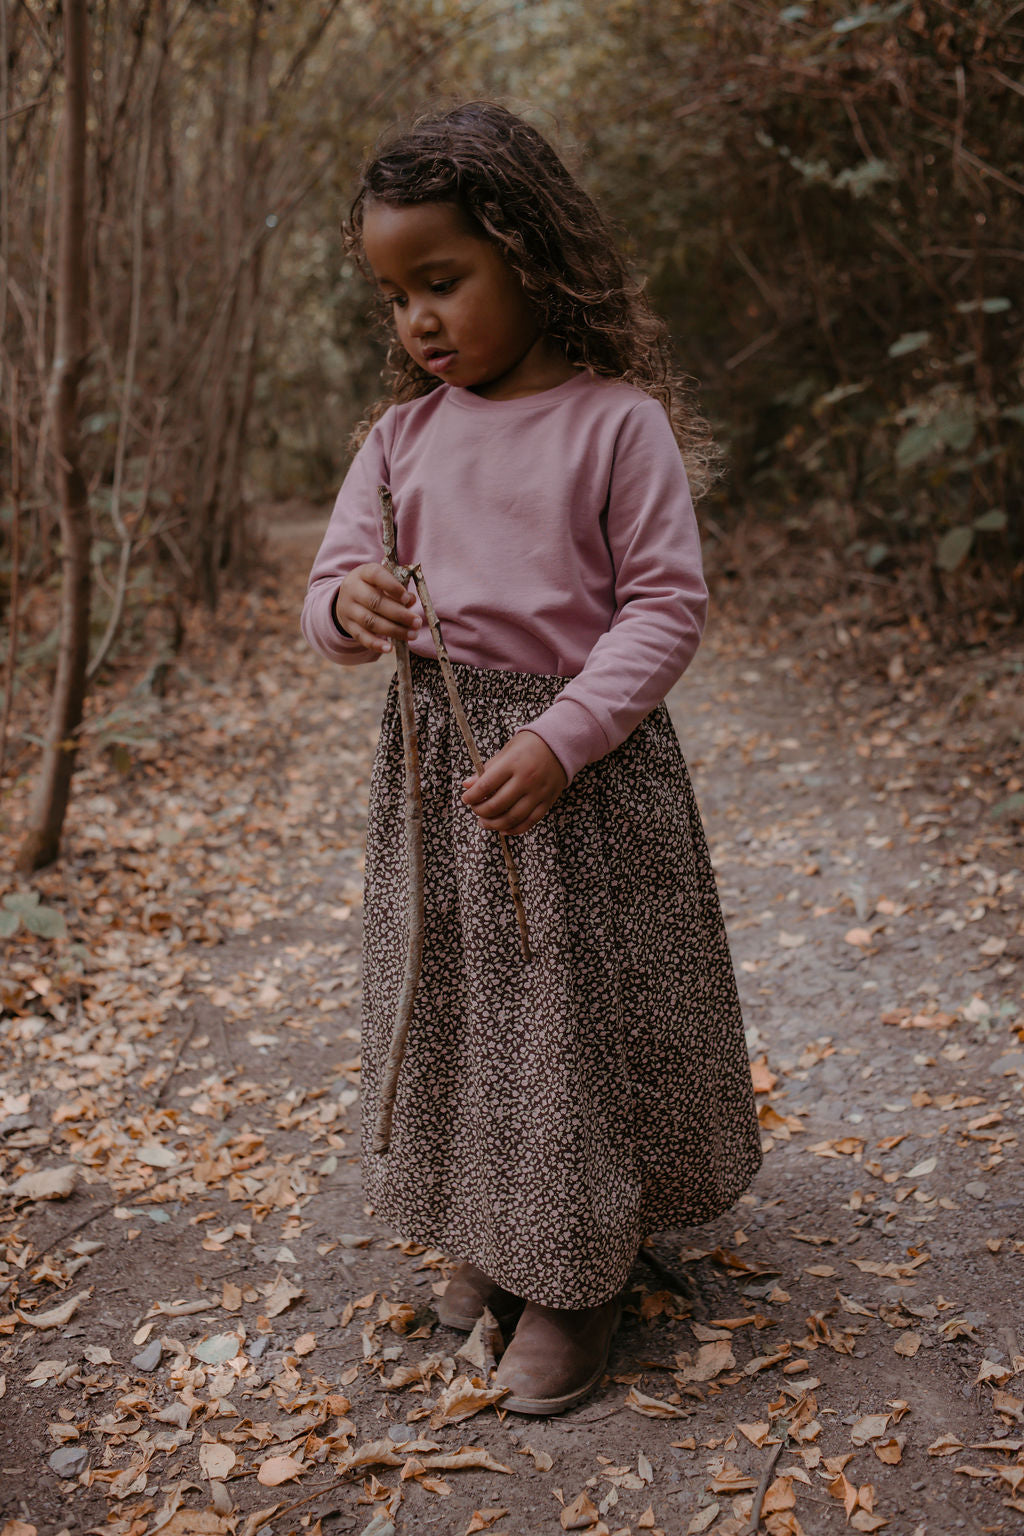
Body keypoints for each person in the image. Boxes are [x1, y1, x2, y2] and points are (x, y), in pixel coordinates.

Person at [301, 101, 762, 1416]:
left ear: (528, 252)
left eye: (441, 282)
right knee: (468, 1015)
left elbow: (664, 609)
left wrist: (563, 739)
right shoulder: (397, 444)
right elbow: (327, 589)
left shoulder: (616, 426)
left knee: (565, 1024)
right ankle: (494, 1236)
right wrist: (351, 607)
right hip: (439, 774)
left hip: (579, 780)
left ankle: (576, 1280)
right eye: (396, 297)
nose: (418, 322)